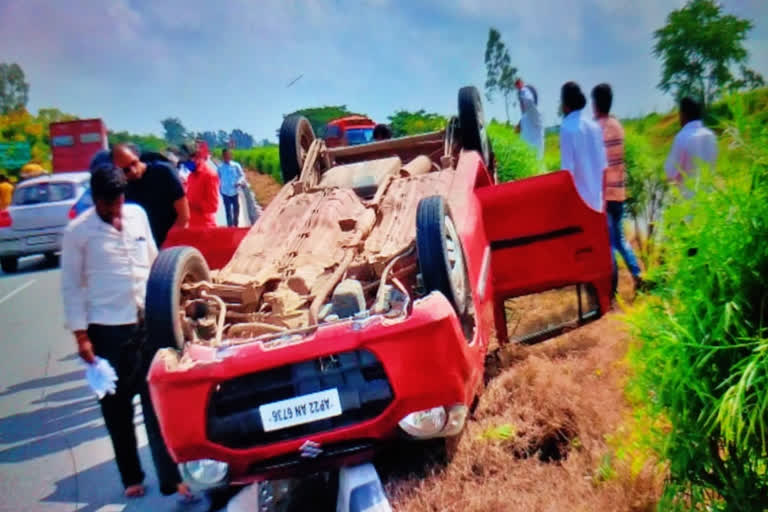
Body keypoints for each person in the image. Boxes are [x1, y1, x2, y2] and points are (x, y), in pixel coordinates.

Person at [60, 163, 197, 502]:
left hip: (145, 324)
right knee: (117, 409)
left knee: (158, 403)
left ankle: (173, 478)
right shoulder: (78, 232)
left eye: (119, 201)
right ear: (96, 199)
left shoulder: (136, 216)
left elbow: (154, 262)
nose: (116, 209)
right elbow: (71, 288)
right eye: (109, 203)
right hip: (106, 332)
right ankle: (131, 476)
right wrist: (81, 336)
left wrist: (170, 308)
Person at [591, 83, 644, 294]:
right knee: (620, 239)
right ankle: (637, 275)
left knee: (608, 243)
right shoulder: (617, 126)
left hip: (605, 193)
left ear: (596, 103)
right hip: (619, 192)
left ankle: (610, 289)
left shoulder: (597, 129)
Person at [108, 144, 190, 246]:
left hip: (173, 245)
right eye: (126, 170)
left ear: (138, 156)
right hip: (143, 247)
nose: (133, 171)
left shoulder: (163, 172)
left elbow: (184, 216)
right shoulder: (121, 187)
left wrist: (168, 245)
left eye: (134, 163)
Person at [559, 81, 607, 213]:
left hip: (579, 204)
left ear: (565, 104)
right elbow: (604, 168)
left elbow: (567, 172)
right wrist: (604, 201)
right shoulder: (595, 127)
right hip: (597, 203)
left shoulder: (566, 127)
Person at [664, 96, 717, 199]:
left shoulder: (682, 137)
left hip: (688, 203)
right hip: (709, 202)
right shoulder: (711, 136)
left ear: (683, 114)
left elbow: (671, 172)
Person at [186, 142, 220, 228]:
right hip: (191, 226)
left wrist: (192, 204)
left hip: (205, 227)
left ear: (199, 157)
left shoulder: (209, 175)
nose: (188, 161)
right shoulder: (191, 176)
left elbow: (213, 206)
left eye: (191, 158)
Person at [515, 78, 544, 159]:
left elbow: (529, 102)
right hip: (527, 163)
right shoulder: (525, 118)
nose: (520, 104)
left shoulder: (535, 114)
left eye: (521, 100)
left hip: (536, 165)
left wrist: (522, 89)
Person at [217, 148, 247, 227]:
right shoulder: (220, 167)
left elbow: (242, 175)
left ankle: (236, 224)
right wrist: (219, 189)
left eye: (228, 155)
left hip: (235, 191)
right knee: (228, 211)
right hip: (225, 192)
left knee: (236, 209)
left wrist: (239, 182)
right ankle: (230, 227)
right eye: (225, 155)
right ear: (222, 156)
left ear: (230, 156)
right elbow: (217, 179)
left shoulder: (236, 165)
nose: (226, 157)